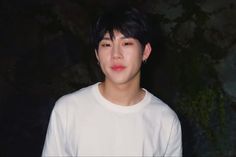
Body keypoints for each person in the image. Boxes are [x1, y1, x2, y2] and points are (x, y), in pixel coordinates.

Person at [42, 6, 182, 156]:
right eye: (107, 45)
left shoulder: (165, 121)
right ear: (97, 54)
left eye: (126, 43)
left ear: (145, 51)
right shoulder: (68, 110)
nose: (116, 55)